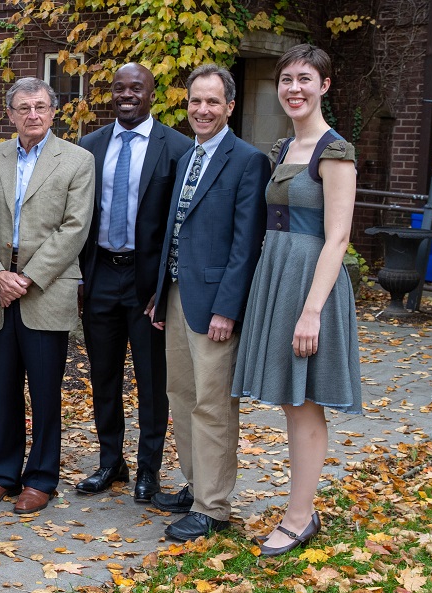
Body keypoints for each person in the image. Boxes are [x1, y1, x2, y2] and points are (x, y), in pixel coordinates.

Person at [232, 44, 361, 556]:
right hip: (278, 274)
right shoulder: (284, 149)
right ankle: (298, 507)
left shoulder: (335, 152)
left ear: (324, 86)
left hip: (311, 282)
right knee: (291, 399)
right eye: (286, 79)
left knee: (305, 401)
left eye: (305, 79)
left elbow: (338, 238)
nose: (294, 89)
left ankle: (300, 515)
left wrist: (311, 311)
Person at [148, 64, 269, 542]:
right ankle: (197, 486)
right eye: (196, 101)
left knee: (213, 405)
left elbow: (246, 244)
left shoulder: (247, 161)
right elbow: (174, 233)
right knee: (181, 396)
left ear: (230, 107)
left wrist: (228, 308)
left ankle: (214, 507)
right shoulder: (186, 157)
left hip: (215, 305)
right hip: (177, 295)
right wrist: (161, 292)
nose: (202, 109)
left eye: (212, 102)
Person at [0, 78, 94, 515]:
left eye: (40, 106)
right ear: (10, 114)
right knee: (2, 390)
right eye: (23, 108)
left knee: (44, 390)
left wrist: (29, 276)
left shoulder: (77, 160)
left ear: (53, 111)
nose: (32, 115)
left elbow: (75, 228)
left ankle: (41, 478)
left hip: (46, 287)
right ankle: (3, 474)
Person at [76, 63, 192, 502]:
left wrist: (165, 290)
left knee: (151, 379)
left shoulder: (177, 147)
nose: (127, 95)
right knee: (103, 375)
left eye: (136, 88)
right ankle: (110, 463)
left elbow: (179, 226)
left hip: (148, 285)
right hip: (101, 273)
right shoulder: (89, 146)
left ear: (152, 93)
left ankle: (149, 468)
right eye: (119, 88)